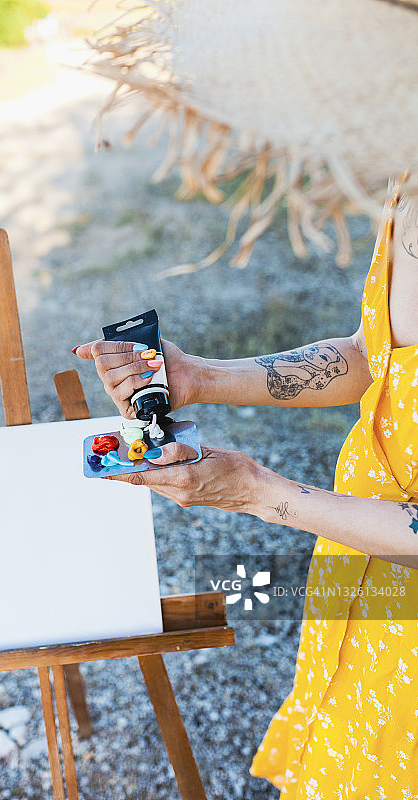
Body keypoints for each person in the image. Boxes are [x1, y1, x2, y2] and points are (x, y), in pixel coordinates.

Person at [74, 175, 418, 798]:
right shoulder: (408, 175)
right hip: (361, 559)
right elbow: (373, 357)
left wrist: (256, 491)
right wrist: (198, 377)